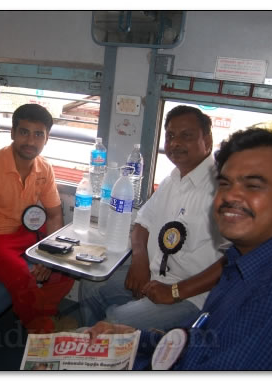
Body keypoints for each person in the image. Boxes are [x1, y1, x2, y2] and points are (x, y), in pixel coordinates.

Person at [88, 124, 272, 370]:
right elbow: (208, 339)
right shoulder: (245, 259)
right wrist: (139, 339)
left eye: (253, 185)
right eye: (225, 184)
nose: (230, 197)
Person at [79, 105, 226, 332]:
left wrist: (175, 291)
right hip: (155, 276)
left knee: (114, 321)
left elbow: (231, 261)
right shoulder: (173, 179)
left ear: (207, 140)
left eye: (186, 136)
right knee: (91, 285)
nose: (175, 143)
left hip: (192, 295)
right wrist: (140, 262)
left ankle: (104, 345)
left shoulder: (221, 189)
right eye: (170, 136)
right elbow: (142, 223)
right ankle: (94, 351)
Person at [0, 104, 75, 333]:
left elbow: (55, 215)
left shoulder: (44, 169)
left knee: (65, 267)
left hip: (23, 231)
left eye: (38, 134)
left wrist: (48, 258)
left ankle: (37, 311)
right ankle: (42, 332)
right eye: (24, 132)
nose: (30, 141)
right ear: (13, 133)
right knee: (23, 276)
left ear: (46, 139)